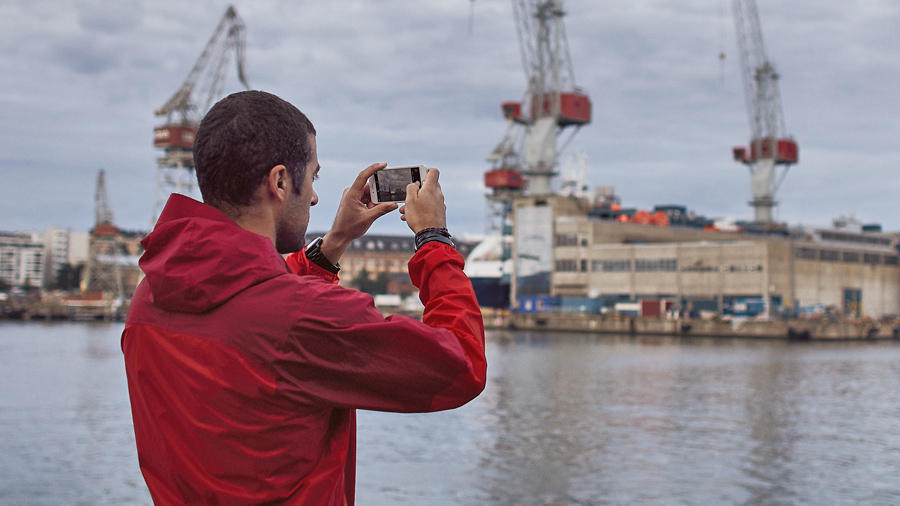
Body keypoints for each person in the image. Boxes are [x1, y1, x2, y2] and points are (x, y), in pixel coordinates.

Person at [122, 90, 486, 505]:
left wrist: (333, 243)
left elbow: (247, 307)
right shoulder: (302, 316)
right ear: (280, 182)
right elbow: (460, 365)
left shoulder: (150, 295)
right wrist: (433, 238)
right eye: (312, 177)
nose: (314, 196)